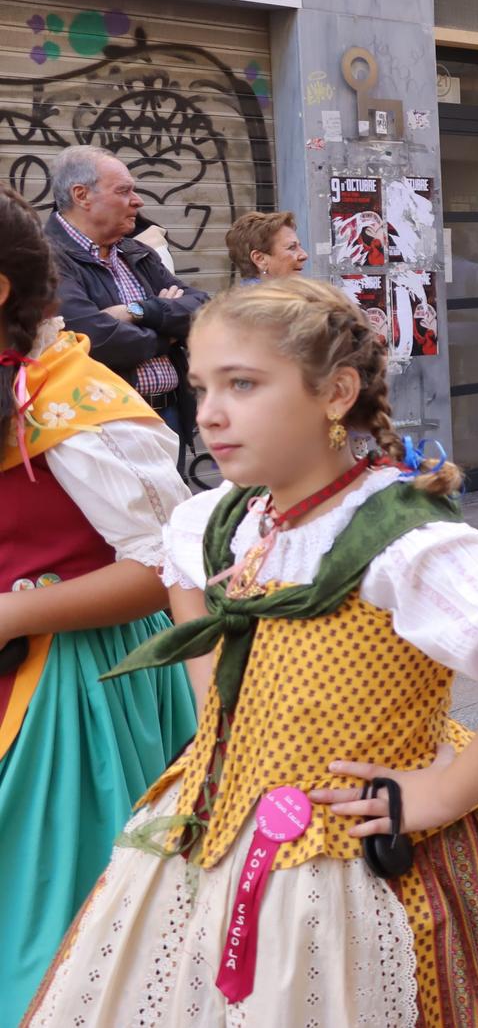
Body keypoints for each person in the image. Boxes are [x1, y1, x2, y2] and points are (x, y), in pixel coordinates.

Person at [27, 276, 478, 1024]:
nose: (211, 412)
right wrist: (216, 706)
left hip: (360, 853)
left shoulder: (401, 539)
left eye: (243, 383)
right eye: (201, 385)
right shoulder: (222, 518)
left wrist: (445, 792)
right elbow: (179, 575)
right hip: (221, 814)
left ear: (335, 391)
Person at [0, 191, 196, 1023]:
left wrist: (11, 618)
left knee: (62, 935)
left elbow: (163, 566)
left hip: (72, 695)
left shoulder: (77, 404)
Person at [42, 146, 208, 434]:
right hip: (104, 425)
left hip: (168, 415)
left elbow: (204, 310)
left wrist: (140, 311)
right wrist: (166, 336)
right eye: (123, 191)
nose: (138, 202)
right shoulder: (45, 258)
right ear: (81, 196)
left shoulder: (136, 252)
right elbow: (94, 338)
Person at [225, 210, 309, 283]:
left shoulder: (245, 297)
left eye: (299, 247)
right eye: (291, 247)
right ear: (260, 259)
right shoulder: (264, 300)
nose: (304, 255)